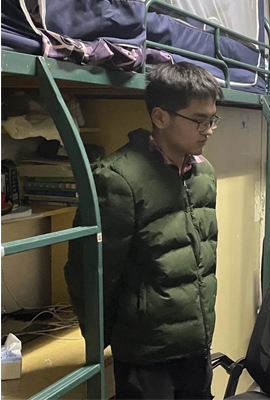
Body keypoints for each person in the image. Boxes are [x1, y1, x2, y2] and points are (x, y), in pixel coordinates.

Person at [65, 62, 223, 400]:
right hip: (146, 356)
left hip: (196, 345)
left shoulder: (204, 174)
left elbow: (203, 260)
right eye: (200, 120)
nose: (209, 130)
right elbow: (91, 272)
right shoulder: (117, 179)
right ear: (160, 116)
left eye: (212, 120)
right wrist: (105, 337)